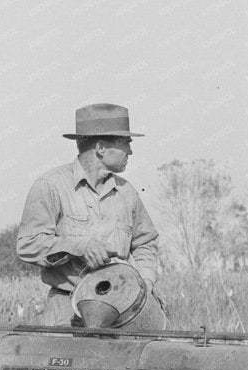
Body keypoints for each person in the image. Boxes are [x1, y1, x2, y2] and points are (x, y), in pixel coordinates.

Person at [16, 103, 161, 326]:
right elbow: (28, 245)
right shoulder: (51, 186)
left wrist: (146, 281)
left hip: (122, 316)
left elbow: (146, 243)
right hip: (67, 315)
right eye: (125, 143)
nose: (130, 151)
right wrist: (79, 247)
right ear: (101, 147)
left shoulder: (127, 193)